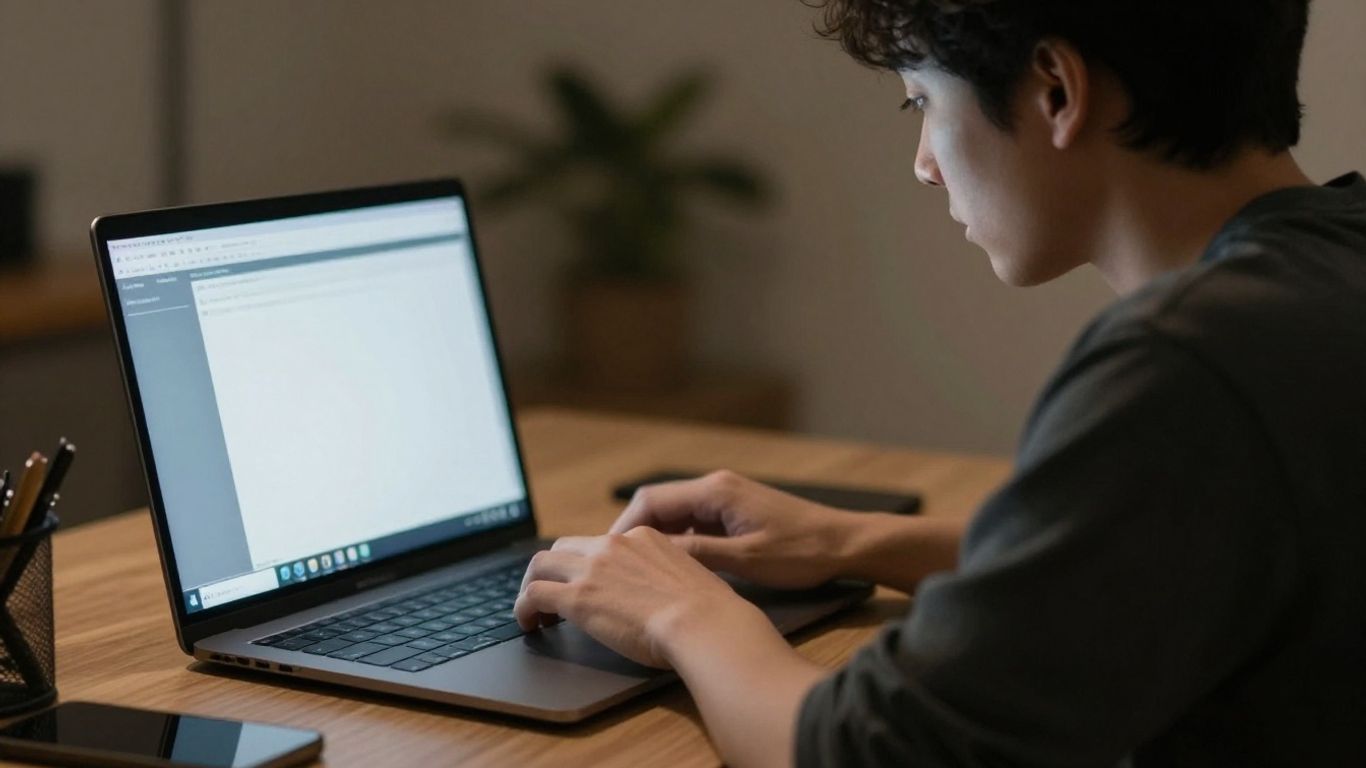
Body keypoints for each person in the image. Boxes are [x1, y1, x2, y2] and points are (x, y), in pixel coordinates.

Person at [513, 0, 1366, 765]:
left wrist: (683, 612)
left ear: (1057, 90)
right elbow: (1179, 552)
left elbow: (864, 749)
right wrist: (854, 542)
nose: (924, 164)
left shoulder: (1187, 365)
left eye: (921, 101)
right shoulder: (1325, 275)